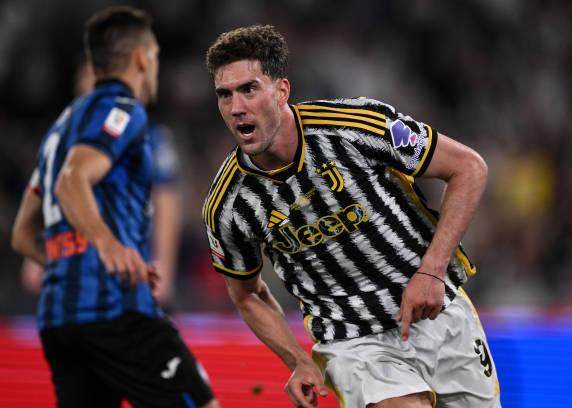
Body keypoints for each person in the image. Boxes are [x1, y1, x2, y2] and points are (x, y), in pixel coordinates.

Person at [203, 25, 500, 408]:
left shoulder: (354, 126)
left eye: (249, 89)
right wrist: (297, 360)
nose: (236, 107)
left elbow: (468, 168)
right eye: (224, 94)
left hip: (437, 314)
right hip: (353, 341)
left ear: (281, 91)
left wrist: (432, 271)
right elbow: (247, 294)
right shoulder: (228, 204)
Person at [11, 7, 218, 408]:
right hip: (114, 310)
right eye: (154, 57)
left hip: (59, 320)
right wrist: (108, 247)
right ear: (141, 58)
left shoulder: (59, 129)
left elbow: (22, 234)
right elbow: (72, 180)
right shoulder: (124, 109)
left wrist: (71, 266)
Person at [20, 62, 182, 309]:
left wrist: (165, 266)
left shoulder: (150, 137)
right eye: (88, 79)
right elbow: (48, 196)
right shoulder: (62, 142)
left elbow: (165, 201)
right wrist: (35, 256)